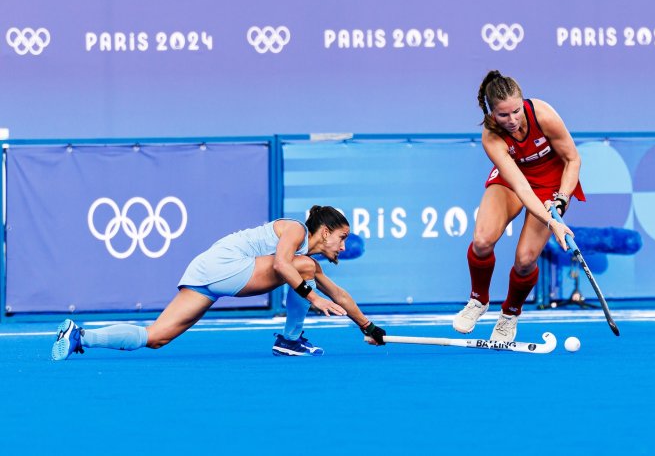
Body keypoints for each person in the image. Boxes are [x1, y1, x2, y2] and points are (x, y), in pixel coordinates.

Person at [51, 205, 386, 360]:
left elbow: (337, 294)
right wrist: (313, 299)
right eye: (341, 237)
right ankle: (290, 340)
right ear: (324, 231)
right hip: (226, 266)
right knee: (302, 268)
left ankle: (81, 335)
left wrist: (367, 327)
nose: (343, 246)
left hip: (206, 271)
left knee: (156, 337)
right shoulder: (297, 231)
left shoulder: (308, 262)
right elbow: (284, 265)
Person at [452, 70, 581, 342]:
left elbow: (572, 159)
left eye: (516, 111)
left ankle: (509, 314)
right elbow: (521, 187)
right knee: (482, 241)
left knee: (525, 260)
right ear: (491, 114)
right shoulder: (491, 136)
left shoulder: (543, 114)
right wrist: (553, 223)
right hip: (514, 180)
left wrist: (561, 199)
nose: (512, 120)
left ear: (523, 102)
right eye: (503, 115)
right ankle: (478, 300)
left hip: (551, 185)